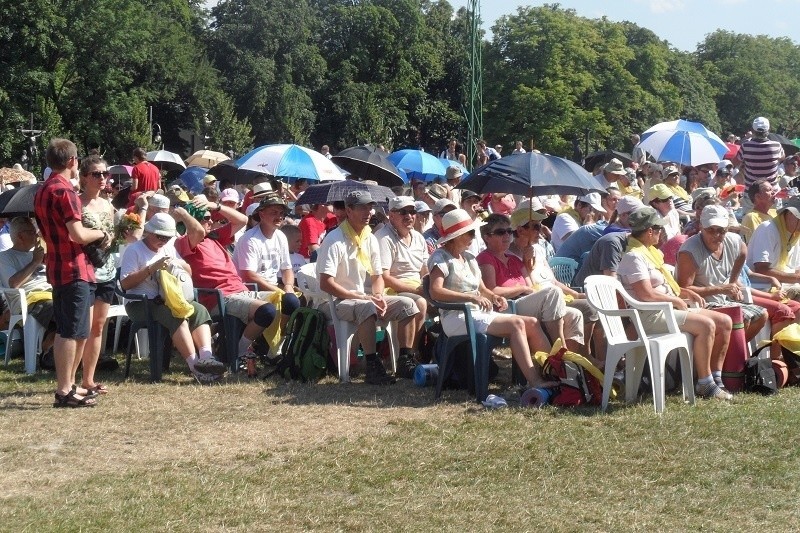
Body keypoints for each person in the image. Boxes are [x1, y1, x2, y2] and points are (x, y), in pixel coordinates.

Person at [617, 206, 733, 401]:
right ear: (650, 231)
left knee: (725, 322)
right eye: (659, 228)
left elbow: (663, 287)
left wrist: (683, 293)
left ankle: (715, 377)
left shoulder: (648, 253)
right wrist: (676, 300)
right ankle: (705, 383)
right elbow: (646, 295)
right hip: (649, 316)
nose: (662, 232)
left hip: (664, 310)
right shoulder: (633, 257)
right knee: (706, 325)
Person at [428, 209, 554, 389]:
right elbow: (435, 292)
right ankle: (535, 381)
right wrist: (471, 298)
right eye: (470, 232)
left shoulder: (469, 258)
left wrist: (494, 297)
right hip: (455, 316)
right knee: (517, 324)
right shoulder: (440, 257)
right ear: (456, 236)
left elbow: (482, 289)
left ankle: (556, 372)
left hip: (476, 313)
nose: (474, 235)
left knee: (532, 322)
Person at [34, 138, 111, 408]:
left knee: (77, 330)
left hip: (59, 266)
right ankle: (65, 390)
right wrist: (102, 233)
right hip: (73, 268)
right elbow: (77, 234)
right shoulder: (64, 191)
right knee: (71, 332)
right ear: (72, 162)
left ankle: (70, 387)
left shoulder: (44, 190)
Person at [316, 191, 421, 385]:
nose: (369, 212)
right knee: (368, 307)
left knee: (408, 305)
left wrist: (378, 294)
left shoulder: (369, 238)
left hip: (363, 297)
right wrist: (355, 295)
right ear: (348, 210)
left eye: (370, 207)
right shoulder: (334, 239)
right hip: (337, 301)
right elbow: (325, 283)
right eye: (363, 207)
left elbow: (377, 276)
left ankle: (405, 359)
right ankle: (372, 364)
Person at [120, 212, 226, 382]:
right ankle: (196, 367)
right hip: (141, 304)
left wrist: (179, 264)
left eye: (168, 237)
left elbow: (189, 273)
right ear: (149, 232)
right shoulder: (134, 250)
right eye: (160, 236)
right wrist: (150, 269)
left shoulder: (168, 248)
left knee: (199, 310)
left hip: (169, 300)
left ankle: (207, 358)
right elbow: (125, 284)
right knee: (175, 315)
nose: (163, 240)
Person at [174, 198, 280, 362]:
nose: (211, 221)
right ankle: (238, 352)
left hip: (242, 291)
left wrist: (215, 206)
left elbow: (242, 220)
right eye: (205, 218)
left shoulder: (214, 237)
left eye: (211, 217)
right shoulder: (184, 242)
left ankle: (273, 352)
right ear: (192, 220)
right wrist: (183, 213)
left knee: (287, 302)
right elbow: (197, 232)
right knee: (266, 311)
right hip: (219, 298)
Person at [478, 213, 585, 356]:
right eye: (500, 232)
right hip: (506, 307)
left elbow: (531, 286)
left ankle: (572, 365)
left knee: (575, 315)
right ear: (487, 237)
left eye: (509, 231)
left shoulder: (513, 259)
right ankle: (561, 354)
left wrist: (527, 262)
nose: (506, 236)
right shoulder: (486, 258)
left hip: (523, 302)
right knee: (553, 292)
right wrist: (520, 288)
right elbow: (491, 290)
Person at [676, 205, 768, 341]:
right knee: (742, 317)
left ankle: (735, 354)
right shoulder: (690, 251)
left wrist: (733, 280)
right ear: (701, 227)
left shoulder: (733, 240)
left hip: (723, 301)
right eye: (710, 230)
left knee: (762, 315)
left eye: (721, 231)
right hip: (702, 304)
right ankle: (734, 358)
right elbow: (683, 289)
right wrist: (720, 288)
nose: (716, 235)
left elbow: (743, 252)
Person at [375, 196, 430, 377]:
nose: (409, 216)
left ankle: (440, 353)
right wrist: (416, 290)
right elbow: (385, 277)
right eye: (403, 212)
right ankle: (408, 356)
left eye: (412, 212)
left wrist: (429, 286)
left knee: (447, 303)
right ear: (391, 215)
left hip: (417, 286)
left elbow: (424, 270)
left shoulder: (419, 238)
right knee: (420, 303)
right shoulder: (383, 238)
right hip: (392, 289)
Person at [77, 155, 117, 394]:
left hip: (107, 269)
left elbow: (112, 237)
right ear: (84, 177)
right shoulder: (78, 204)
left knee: (98, 327)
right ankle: (70, 381)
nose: (102, 178)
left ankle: (88, 379)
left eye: (105, 174)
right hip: (86, 269)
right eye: (96, 174)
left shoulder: (107, 204)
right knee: (83, 327)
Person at [232, 194, 301, 332]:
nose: (279, 217)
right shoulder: (250, 239)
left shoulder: (280, 236)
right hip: (249, 289)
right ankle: (267, 344)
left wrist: (288, 286)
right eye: (274, 212)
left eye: (281, 213)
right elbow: (248, 275)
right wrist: (279, 291)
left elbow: (287, 269)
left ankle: (277, 342)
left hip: (272, 286)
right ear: (261, 214)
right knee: (290, 302)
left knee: (301, 301)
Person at [0, 218, 55, 356]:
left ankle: (52, 344)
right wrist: (35, 262)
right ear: (20, 236)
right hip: (31, 298)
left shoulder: (37, 254)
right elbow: (13, 283)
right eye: (31, 232)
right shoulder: (5, 257)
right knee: (61, 309)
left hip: (51, 293)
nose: (36, 235)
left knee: (77, 305)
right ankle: (47, 349)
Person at [746, 196, 800, 285]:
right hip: (762, 287)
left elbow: (797, 269)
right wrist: (796, 278)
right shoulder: (767, 229)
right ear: (790, 214)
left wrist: (796, 278)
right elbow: (761, 269)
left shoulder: (796, 235)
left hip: (786, 285)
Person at [739, 116, 784, 191]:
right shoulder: (776, 145)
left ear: (753, 130)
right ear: (769, 130)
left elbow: (735, 162)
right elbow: (782, 157)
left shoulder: (746, 146)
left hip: (751, 192)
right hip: (771, 190)